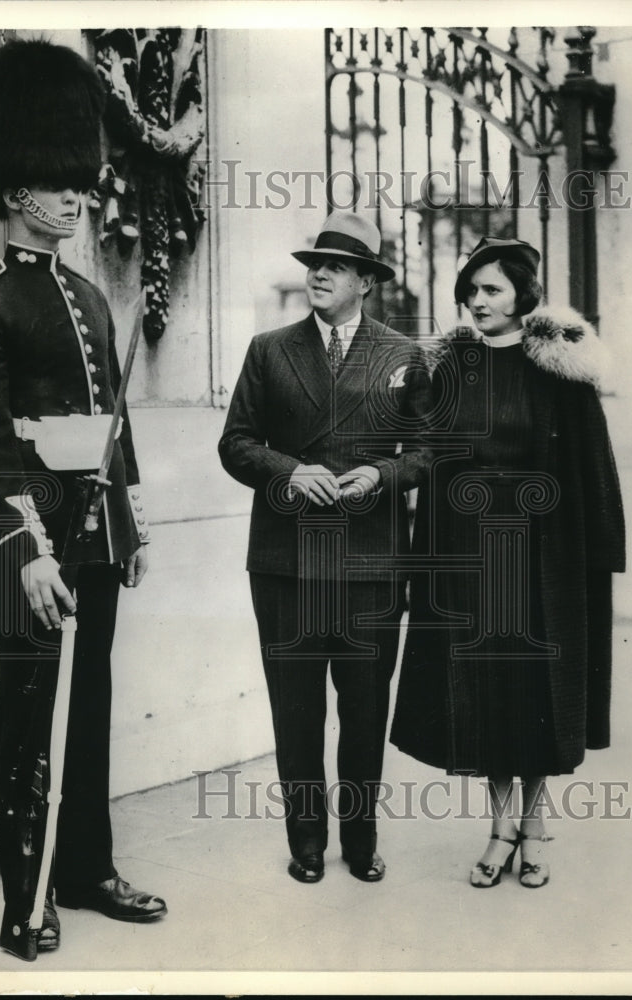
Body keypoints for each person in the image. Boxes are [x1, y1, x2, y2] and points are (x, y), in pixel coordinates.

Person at [0, 39, 165, 961]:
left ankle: (85, 870)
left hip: (95, 530)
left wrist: (134, 510)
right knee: (29, 712)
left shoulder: (89, 293)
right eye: (54, 182)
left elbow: (114, 414)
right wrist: (26, 547)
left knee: (92, 704)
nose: (77, 195)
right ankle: (21, 900)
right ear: (11, 192)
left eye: (79, 180)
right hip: (29, 538)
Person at [390, 237, 626, 888]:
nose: (476, 299)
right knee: (487, 694)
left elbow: (592, 467)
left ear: (523, 295)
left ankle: (532, 825)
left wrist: (600, 555)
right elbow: (430, 458)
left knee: (539, 694)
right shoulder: (450, 368)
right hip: (469, 557)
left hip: (544, 559)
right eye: (470, 288)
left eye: (490, 288)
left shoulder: (558, 369)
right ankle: (500, 828)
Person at [219, 211, 432, 884]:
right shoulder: (269, 349)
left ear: (366, 281)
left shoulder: (404, 355)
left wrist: (383, 474)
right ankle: (306, 840)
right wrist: (289, 470)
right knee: (297, 710)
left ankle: (361, 841)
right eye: (314, 263)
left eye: (335, 266)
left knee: (366, 710)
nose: (317, 273)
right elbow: (236, 444)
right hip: (286, 564)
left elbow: (429, 452)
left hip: (371, 563)